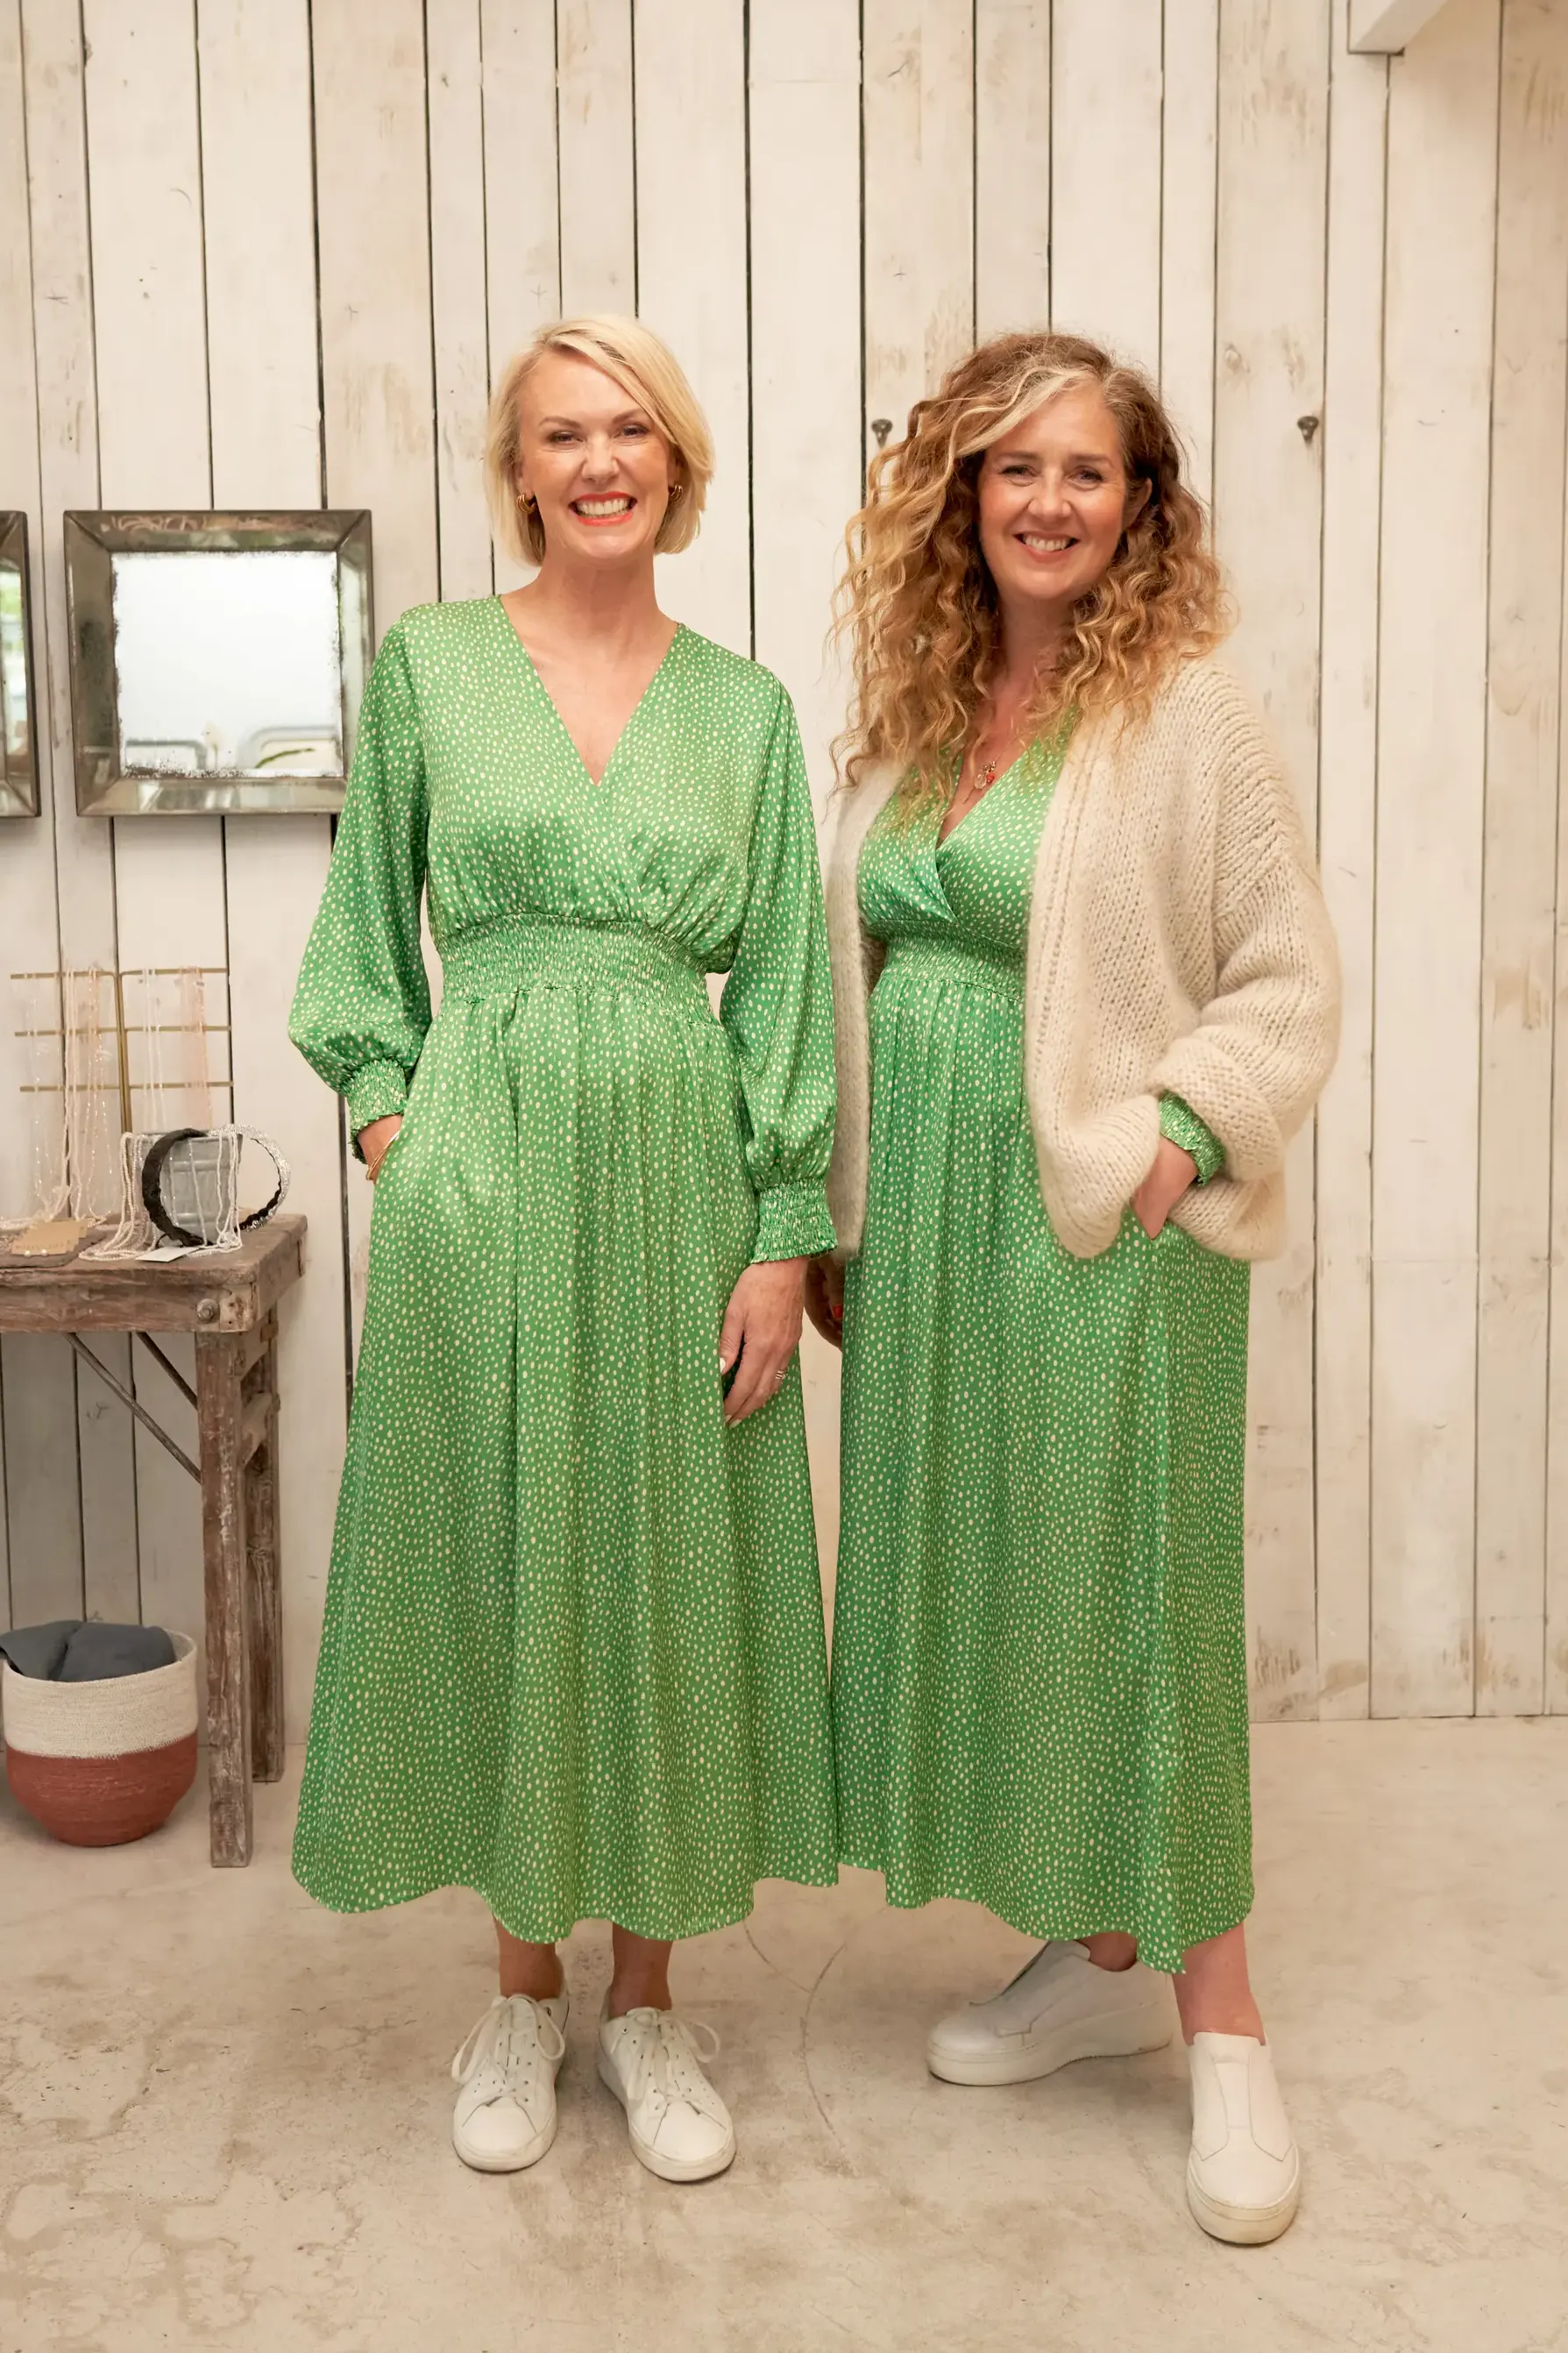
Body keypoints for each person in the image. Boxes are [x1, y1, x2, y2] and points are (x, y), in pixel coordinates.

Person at [289, 314, 839, 2186]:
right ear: (516, 471)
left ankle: (653, 2002)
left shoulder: (747, 709)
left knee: (668, 1554)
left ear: (677, 464)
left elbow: (777, 990)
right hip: (487, 1172)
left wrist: (779, 1234)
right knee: (510, 1547)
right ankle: (521, 1990)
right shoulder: (432, 670)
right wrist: (397, 1131)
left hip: (682, 1175)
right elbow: (365, 939)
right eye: (560, 435)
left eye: (632, 431)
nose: (599, 461)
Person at [806, 331, 1339, 2243]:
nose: (1048, 500)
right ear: (962, 495)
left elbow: (1285, 980)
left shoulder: (1188, 712)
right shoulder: (919, 713)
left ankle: (1226, 2021)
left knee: (1137, 1594)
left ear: (1142, 503)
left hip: (1096, 1216)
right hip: (932, 1232)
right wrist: (844, 1218)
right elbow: (858, 974)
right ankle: (1093, 1947)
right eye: (1014, 468)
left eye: (1088, 472)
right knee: (1016, 1577)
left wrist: (1176, 1144)